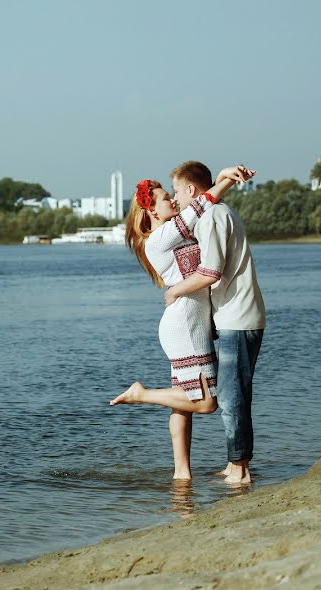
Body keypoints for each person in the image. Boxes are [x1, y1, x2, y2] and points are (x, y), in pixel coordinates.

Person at [111, 166, 254, 480]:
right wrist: (227, 179)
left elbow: (201, 209)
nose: (172, 202)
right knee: (204, 403)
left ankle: (182, 474)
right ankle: (141, 394)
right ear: (151, 211)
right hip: (185, 326)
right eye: (165, 200)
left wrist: (221, 180)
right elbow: (202, 203)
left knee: (183, 402)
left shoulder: (175, 234)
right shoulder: (159, 238)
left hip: (190, 322)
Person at [165, 161, 266, 485]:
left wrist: (175, 291)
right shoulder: (220, 212)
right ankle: (235, 462)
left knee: (232, 395)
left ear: (192, 190)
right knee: (236, 392)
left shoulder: (210, 218)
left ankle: (240, 468)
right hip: (240, 314)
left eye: (178, 191)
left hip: (238, 317)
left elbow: (210, 272)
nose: (176, 197)